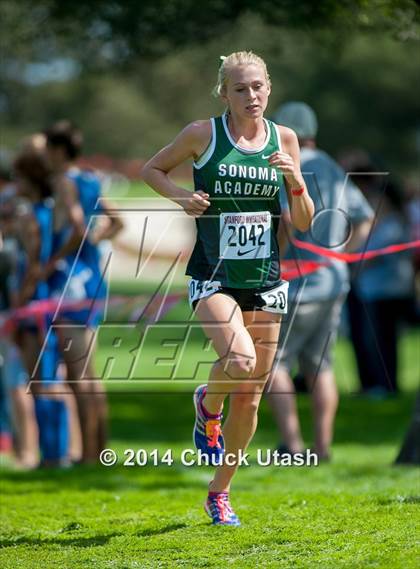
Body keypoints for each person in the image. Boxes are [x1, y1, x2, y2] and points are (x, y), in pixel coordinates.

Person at [142, 52, 314, 526]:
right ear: (224, 93)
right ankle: (207, 401)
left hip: (264, 278)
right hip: (213, 275)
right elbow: (151, 170)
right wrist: (183, 198)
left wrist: (295, 180)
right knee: (239, 363)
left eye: (258, 87)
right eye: (240, 89)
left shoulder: (286, 140)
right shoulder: (203, 134)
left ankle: (220, 492)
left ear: (269, 88)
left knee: (252, 396)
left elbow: (302, 223)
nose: (251, 96)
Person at [265, 102, 374, 461]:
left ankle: (293, 446)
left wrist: (275, 259)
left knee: (274, 364)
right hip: (332, 281)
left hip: (294, 284)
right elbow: (364, 218)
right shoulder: (331, 165)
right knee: (320, 367)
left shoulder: (286, 166)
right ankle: (323, 449)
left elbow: (284, 217)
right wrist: (344, 255)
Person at [43, 120, 124, 463]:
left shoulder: (64, 181)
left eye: (48, 150)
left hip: (70, 283)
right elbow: (117, 222)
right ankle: (97, 449)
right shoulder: (91, 179)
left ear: (59, 150)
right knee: (89, 373)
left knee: (80, 375)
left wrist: (52, 262)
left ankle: (91, 455)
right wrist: (94, 244)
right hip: (93, 281)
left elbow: (76, 227)